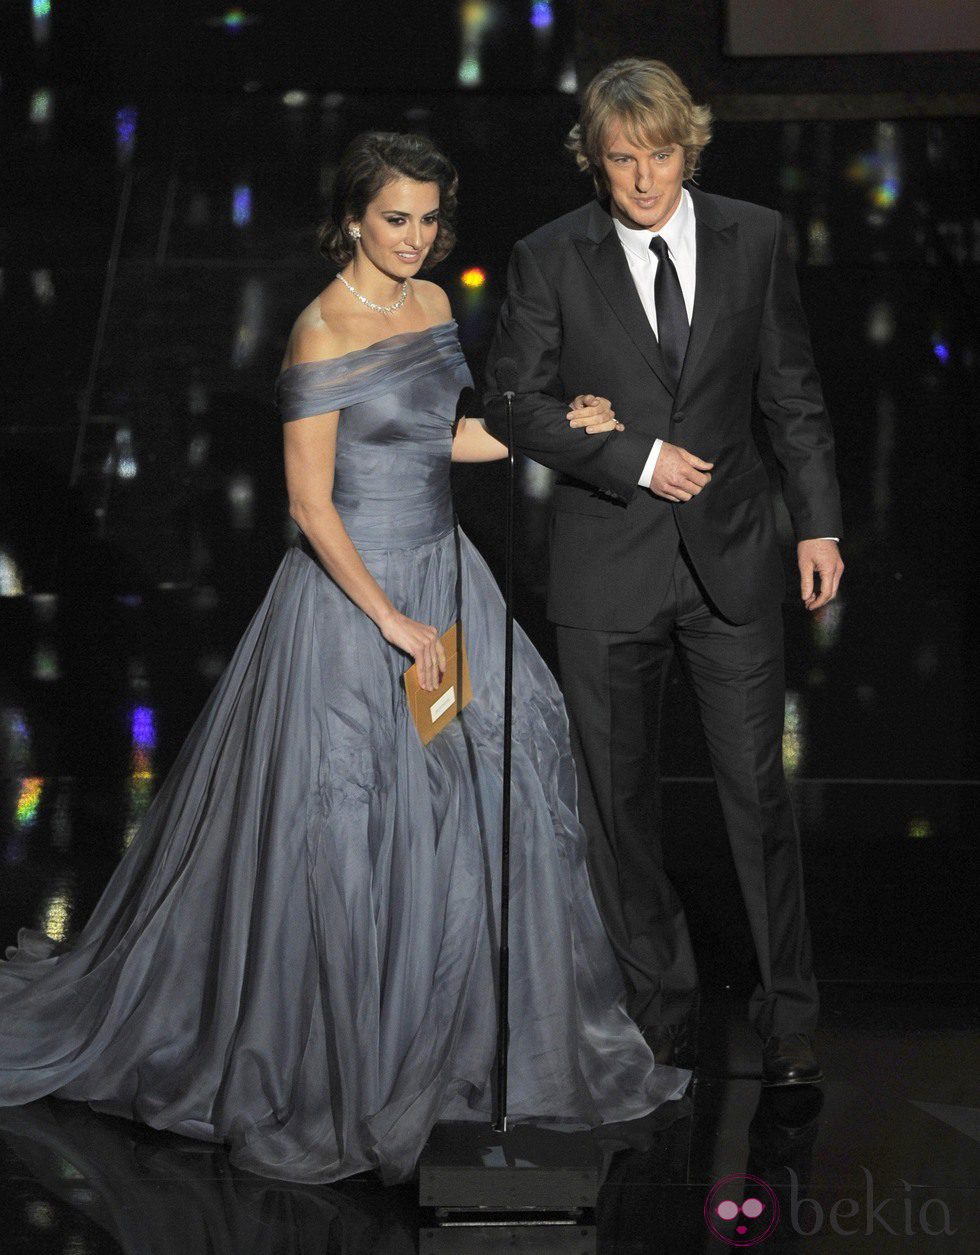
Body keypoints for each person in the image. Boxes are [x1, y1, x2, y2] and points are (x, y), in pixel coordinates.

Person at [0, 131, 689, 1186]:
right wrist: (391, 621)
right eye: (393, 219)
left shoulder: (427, 309)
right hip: (351, 607)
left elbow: (437, 439)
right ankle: (343, 1057)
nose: (412, 239)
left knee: (473, 803)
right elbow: (310, 505)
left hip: (442, 582)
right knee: (351, 831)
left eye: (426, 219)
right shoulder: (318, 332)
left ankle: (453, 1038)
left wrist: (546, 429)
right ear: (353, 219)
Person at [485, 60, 844, 1086]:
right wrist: (630, 456)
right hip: (606, 564)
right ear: (594, 165)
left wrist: (816, 525)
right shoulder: (548, 257)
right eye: (620, 160)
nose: (643, 180)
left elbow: (792, 393)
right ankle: (658, 1000)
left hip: (733, 553)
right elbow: (512, 403)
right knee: (616, 809)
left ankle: (789, 1011)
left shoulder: (754, 236)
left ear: (690, 144)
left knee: (755, 797)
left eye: (659, 154)